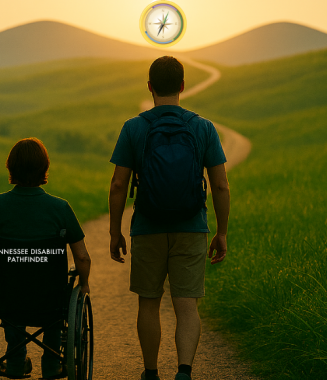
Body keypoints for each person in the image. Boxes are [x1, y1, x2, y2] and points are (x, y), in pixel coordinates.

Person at [108, 56, 230, 380]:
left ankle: (150, 373)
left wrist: (115, 232)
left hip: (147, 227)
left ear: (149, 87)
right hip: (191, 227)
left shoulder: (134, 128)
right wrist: (222, 232)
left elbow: (119, 184)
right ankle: (185, 372)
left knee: (148, 303)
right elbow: (220, 184)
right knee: (187, 305)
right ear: (182, 86)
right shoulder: (203, 128)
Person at [0, 138, 92, 379]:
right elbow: (83, 258)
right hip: (49, 297)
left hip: (7, 296)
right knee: (56, 302)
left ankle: (14, 362)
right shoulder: (61, 208)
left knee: (10, 295)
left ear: (10, 168)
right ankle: (53, 363)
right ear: (45, 168)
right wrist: (84, 284)